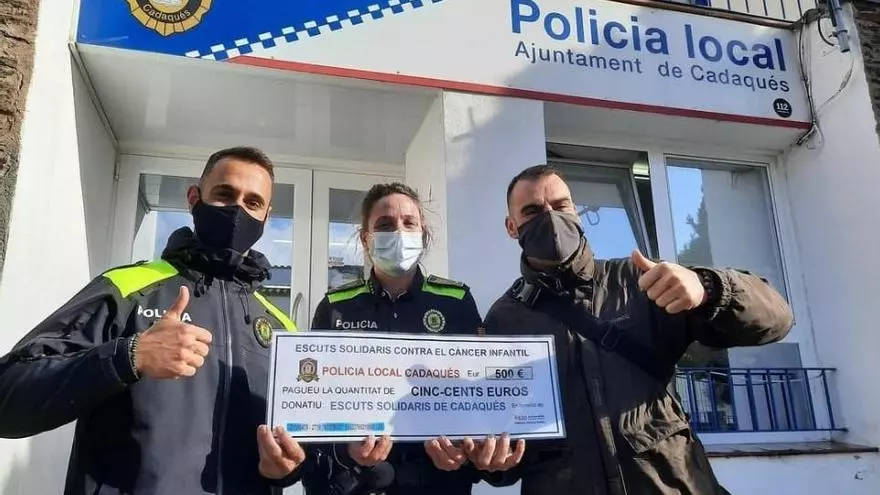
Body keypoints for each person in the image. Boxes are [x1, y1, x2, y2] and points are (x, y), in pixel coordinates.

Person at [0, 146, 306, 494]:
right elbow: (8, 394)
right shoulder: (127, 289)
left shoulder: (280, 328)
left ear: (266, 216)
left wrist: (285, 470)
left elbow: (288, 445)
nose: (238, 211)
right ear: (194, 198)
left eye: (253, 202)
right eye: (225, 194)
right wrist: (129, 356)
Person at [474, 164, 794, 494]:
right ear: (511, 227)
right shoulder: (504, 318)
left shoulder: (641, 280)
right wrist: (494, 464)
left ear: (576, 212)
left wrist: (708, 288)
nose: (551, 218)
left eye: (560, 205)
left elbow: (777, 319)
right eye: (533, 211)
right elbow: (506, 441)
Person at [301, 182, 512, 495]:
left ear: (422, 233)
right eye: (385, 225)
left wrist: (464, 447)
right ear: (366, 238)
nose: (398, 232)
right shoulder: (336, 306)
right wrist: (346, 450)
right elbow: (313, 402)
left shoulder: (455, 301)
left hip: (439, 484)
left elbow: (478, 393)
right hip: (359, 486)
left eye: (409, 223)